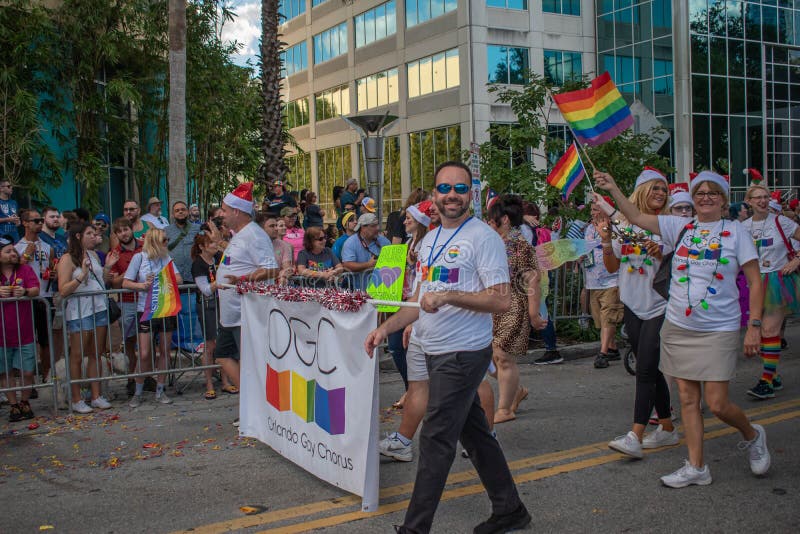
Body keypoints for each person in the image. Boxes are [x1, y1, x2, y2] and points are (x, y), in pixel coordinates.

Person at [364, 161, 530, 534]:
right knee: (475, 434)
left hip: (463, 352)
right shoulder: (431, 240)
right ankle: (510, 510)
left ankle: (414, 529)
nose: (451, 194)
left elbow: (502, 300)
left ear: (470, 193)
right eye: (444, 188)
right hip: (432, 349)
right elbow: (420, 299)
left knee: (436, 438)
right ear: (434, 194)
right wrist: (385, 328)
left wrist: (452, 296)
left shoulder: (482, 238)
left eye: (459, 188)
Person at [594, 169, 770, 488]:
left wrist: (755, 325)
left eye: (712, 193)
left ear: (723, 199)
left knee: (717, 404)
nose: (705, 199)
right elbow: (633, 215)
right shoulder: (681, 227)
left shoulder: (736, 232)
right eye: (699, 194)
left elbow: (756, 281)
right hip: (678, 325)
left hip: (719, 327)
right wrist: (613, 187)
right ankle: (696, 467)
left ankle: (752, 433)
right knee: (688, 400)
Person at [591, 168, 679, 459]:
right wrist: (606, 240)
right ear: (641, 191)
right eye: (654, 189)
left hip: (659, 307)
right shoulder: (624, 226)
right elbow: (614, 267)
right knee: (650, 369)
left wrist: (614, 214)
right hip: (632, 305)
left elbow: (659, 253)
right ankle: (666, 427)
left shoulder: (668, 225)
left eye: (663, 190)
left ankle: (635, 435)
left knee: (644, 371)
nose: (660, 194)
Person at [215, 183, 279, 424]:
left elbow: (272, 268)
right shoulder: (239, 235)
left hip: (246, 313)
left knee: (251, 363)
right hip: (230, 313)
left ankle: (257, 411)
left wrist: (243, 280)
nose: (221, 213)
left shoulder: (254, 234)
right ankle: (252, 404)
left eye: (224, 209)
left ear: (237, 212)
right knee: (222, 355)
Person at [486, 195, 547, 424]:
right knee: (491, 358)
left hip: (515, 306)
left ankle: (504, 409)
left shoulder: (519, 244)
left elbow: (533, 279)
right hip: (493, 306)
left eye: (492, 221)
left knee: (503, 357)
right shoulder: (494, 243)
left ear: (504, 220)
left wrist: (533, 314)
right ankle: (516, 391)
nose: (489, 224)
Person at [741, 184, 800, 400]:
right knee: (761, 334)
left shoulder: (781, 221)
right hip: (753, 282)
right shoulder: (743, 227)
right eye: (758, 198)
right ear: (749, 201)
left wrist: (797, 259)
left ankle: (766, 381)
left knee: (768, 330)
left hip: (778, 281)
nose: (763, 201)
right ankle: (773, 374)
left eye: (766, 197)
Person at [57, 222, 113, 414]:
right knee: (77, 355)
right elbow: (63, 289)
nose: (94, 236)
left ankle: (96, 395)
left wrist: (108, 270)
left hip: (99, 308)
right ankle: (76, 397)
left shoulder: (94, 255)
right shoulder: (67, 259)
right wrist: (82, 275)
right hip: (80, 311)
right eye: (89, 233)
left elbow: (99, 281)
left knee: (96, 353)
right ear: (79, 236)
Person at [123, 228, 182, 407]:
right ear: (155, 241)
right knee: (144, 353)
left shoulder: (166, 258)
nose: (167, 243)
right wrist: (142, 286)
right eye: (164, 240)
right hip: (146, 309)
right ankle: (138, 391)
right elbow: (126, 282)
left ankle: (160, 390)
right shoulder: (139, 258)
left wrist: (163, 279)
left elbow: (179, 279)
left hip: (165, 308)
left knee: (164, 351)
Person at [190, 231, 236, 399]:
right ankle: (209, 383)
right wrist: (218, 284)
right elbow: (205, 289)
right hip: (207, 305)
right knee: (210, 346)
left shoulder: (219, 257)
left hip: (222, 303)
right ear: (202, 247)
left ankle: (225, 381)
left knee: (223, 343)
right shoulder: (198, 264)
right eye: (210, 243)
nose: (214, 245)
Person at [0, 236, 39, 421]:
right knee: (4, 372)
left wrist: (24, 292)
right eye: (8, 252)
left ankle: (25, 401)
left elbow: (36, 289)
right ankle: (13, 404)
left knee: (28, 371)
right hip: (1, 335)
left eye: (13, 250)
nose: (13, 254)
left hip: (24, 332)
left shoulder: (25, 269)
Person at [107, 217, 146, 396]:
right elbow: (114, 283)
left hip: (147, 299)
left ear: (132, 230)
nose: (124, 233)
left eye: (126, 229)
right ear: (116, 235)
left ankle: (147, 376)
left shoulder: (145, 245)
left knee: (148, 340)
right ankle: (131, 378)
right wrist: (129, 272)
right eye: (119, 231)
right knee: (130, 341)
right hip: (128, 301)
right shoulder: (114, 254)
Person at [15, 210, 55, 381]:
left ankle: (47, 377)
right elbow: (14, 270)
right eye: (36, 220)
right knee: (27, 341)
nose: (40, 223)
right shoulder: (17, 248)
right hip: (26, 298)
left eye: (41, 220)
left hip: (45, 296)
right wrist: (26, 254)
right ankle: (28, 381)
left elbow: (52, 268)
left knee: (46, 340)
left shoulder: (48, 247)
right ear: (25, 223)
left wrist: (53, 274)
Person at [583, 199, 623, 369]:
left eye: (596, 209)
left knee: (608, 318)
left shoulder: (616, 227)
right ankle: (613, 348)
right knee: (600, 320)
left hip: (612, 280)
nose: (593, 213)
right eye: (592, 210)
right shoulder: (589, 228)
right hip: (592, 281)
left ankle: (603, 353)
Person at [341, 213, 390, 291]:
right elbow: (347, 265)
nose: (377, 228)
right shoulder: (350, 242)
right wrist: (368, 265)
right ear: (363, 227)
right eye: (373, 226)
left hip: (383, 291)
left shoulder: (384, 241)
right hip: (359, 293)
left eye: (377, 225)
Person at [259, 213, 293, 284]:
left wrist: (283, 275)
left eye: (276, 225)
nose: (276, 229)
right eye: (272, 226)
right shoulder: (252, 245)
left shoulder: (283, 245)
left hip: (276, 285)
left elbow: (287, 268)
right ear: (261, 229)